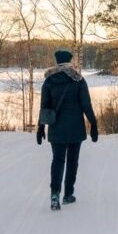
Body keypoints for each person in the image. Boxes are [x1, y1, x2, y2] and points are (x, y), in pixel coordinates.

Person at [37, 50, 98, 211]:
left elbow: (44, 107)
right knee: (72, 161)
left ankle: (55, 194)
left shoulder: (49, 80)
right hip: (75, 128)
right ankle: (68, 194)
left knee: (57, 160)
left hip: (56, 128)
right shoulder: (78, 80)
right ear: (70, 62)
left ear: (57, 62)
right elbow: (86, 105)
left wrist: (41, 127)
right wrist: (94, 124)